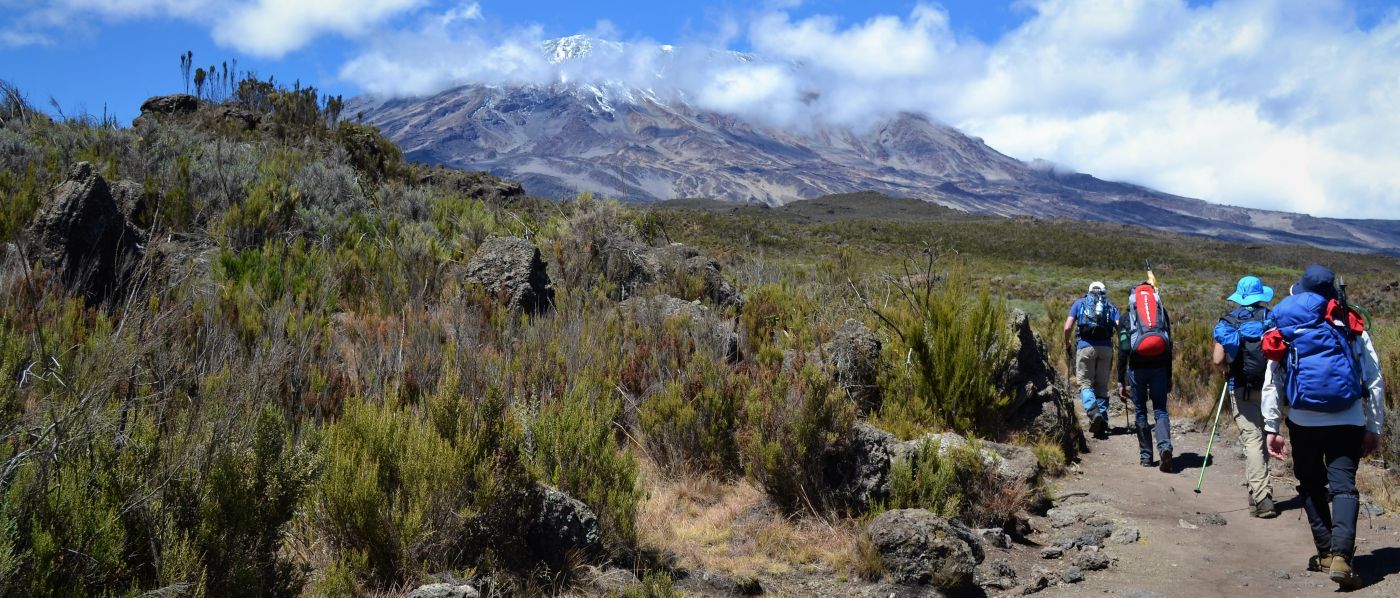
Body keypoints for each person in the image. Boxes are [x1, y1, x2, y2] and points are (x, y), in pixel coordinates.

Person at [1263, 264, 1385, 590]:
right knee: (1343, 486)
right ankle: (1342, 557)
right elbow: (1373, 379)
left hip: (1303, 420)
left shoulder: (1288, 325)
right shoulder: (1351, 325)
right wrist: (1374, 425)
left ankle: (1327, 554)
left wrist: (1271, 426)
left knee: (1311, 484)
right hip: (1348, 419)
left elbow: (1273, 380)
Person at [1211, 275, 1278, 518]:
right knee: (1265, 437)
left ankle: (1262, 499)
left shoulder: (1229, 321)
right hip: (1271, 388)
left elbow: (1218, 359)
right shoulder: (1271, 319)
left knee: (1252, 440)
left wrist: (1225, 370)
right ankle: (1258, 491)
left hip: (1241, 387)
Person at [1118, 280, 1174, 471]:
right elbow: (1169, 345)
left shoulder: (1127, 317)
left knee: (1141, 410)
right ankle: (1165, 447)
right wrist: (1169, 375)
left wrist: (1120, 379)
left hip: (1137, 369)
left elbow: (1123, 351)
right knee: (1160, 409)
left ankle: (1146, 457)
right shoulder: (1161, 314)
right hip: (1159, 367)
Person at [1064, 281, 1119, 439]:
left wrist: (1067, 344)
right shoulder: (1110, 306)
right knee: (1101, 386)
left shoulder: (1079, 303)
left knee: (1085, 384)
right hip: (1106, 349)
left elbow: (1067, 327)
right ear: (1104, 292)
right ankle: (1102, 424)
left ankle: (1094, 413)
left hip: (1085, 347)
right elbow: (1120, 327)